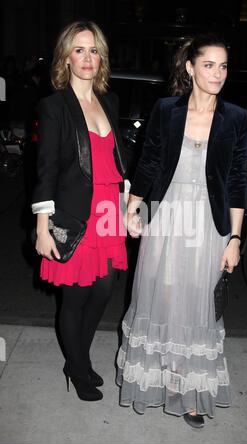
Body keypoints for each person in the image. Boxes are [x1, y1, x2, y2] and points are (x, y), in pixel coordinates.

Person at [116, 34, 247, 427]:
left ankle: (190, 391)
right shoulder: (166, 109)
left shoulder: (237, 117)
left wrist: (236, 238)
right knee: (163, 293)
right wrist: (131, 208)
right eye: (208, 65)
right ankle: (163, 379)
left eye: (223, 66)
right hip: (168, 213)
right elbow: (150, 160)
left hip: (209, 223)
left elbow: (238, 180)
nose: (218, 73)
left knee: (197, 302)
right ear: (190, 68)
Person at [32, 21, 129, 401]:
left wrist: (129, 205)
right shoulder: (54, 106)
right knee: (74, 297)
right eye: (79, 50)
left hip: (108, 211)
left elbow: (116, 159)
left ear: (101, 56)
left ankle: (78, 359)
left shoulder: (110, 101)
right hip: (73, 213)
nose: (87, 58)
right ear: (66, 58)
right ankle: (77, 367)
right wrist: (43, 227)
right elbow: (46, 170)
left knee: (104, 290)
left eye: (93, 50)